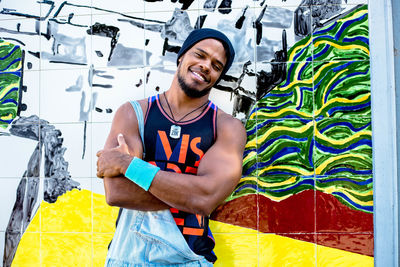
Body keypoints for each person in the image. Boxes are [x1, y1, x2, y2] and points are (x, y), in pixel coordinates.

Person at [96, 28, 246, 266]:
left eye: (217, 66)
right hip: (126, 258)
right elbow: (117, 193)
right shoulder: (134, 113)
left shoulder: (227, 128)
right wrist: (188, 190)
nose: (206, 66)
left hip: (189, 260)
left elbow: (204, 198)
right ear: (181, 56)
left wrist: (127, 164)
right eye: (200, 55)